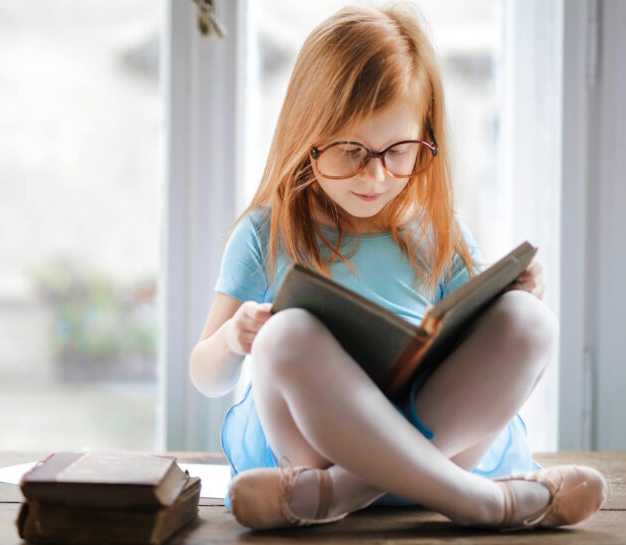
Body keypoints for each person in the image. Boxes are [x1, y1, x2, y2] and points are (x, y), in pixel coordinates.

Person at [189, 3, 606, 532]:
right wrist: (233, 339)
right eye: (349, 151)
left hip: (428, 444)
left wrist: (517, 293)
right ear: (306, 135)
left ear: (425, 138)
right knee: (283, 336)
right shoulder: (267, 232)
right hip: (311, 448)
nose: (376, 176)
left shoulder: (435, 229)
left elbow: (484, 337)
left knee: (530, 320)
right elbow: (205, 377)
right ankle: (481, 502)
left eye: (399, 151)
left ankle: (344, 493)